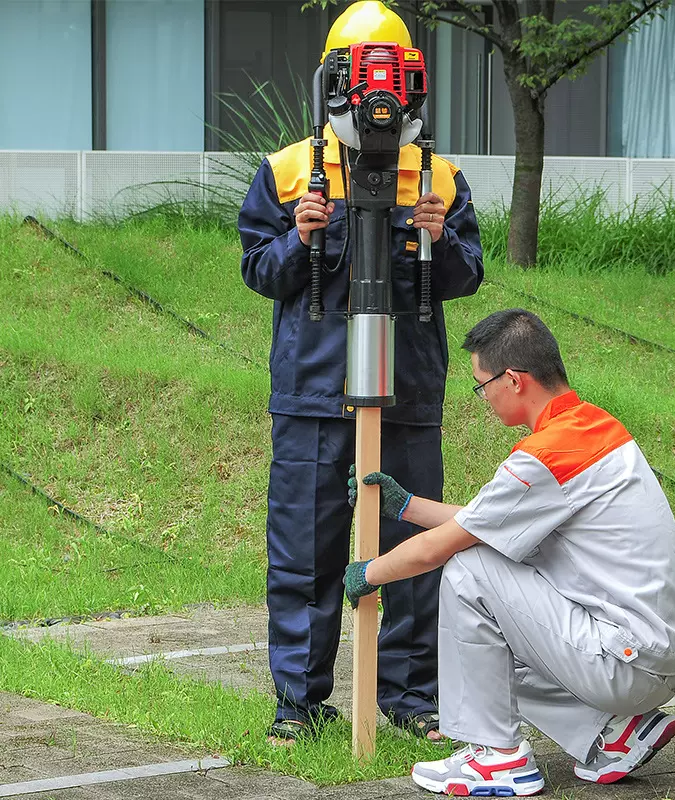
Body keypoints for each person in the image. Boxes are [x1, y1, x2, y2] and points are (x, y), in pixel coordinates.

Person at [238, 0, 483, 743]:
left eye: (393, 73)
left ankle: (408, 700)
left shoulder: (438, 173)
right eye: (360, 73)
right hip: (313, 395)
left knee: (412, 550)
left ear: (413, 82)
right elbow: (259, 268)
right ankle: (299, 702)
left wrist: (437, 240)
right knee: (304, 551)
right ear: (332, 80)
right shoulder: (286, 172)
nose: (378, 91)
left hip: (406, 392)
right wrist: (298, 238)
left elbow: (467, 275)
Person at [345, 308, 675, 795]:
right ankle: (614, 732)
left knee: (470, 570)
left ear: (513, 380)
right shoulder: (592, 429)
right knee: (478, 657)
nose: (483, 397)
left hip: (625, 663)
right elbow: (488, 522)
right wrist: (407, 508)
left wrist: (370, 572)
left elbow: (445, 549)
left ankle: (497, 759)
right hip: (651, 657)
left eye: (481, 384)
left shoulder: (546, 457)